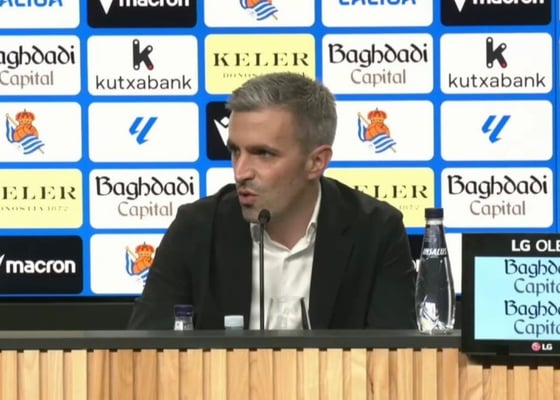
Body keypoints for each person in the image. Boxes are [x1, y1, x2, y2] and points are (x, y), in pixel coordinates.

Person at [127, 72, 416, 330]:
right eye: (235, 151)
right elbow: (145, 353)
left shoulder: (376, 231)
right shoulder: (197, 228)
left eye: (263, 154)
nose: (241, 172)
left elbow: (395, 360)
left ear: (316, 162)